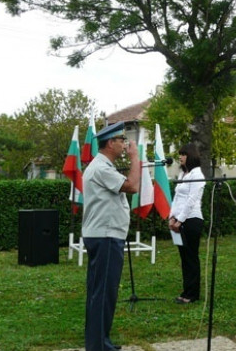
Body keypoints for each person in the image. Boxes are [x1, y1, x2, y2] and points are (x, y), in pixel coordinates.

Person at [82, 121, 140, 351]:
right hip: (105, 236)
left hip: (106, 234)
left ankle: (99, 341)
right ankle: (98, 346)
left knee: (102, 291)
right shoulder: (101, 168)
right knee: (103, 292)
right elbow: (133, 186)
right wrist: (136, 158)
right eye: (121, 140)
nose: (124, 144)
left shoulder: (103, 166)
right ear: (110, 143)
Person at [169, 143, 206, 304]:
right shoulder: (183, 174)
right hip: (178, 220)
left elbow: (191, 200)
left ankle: (192, 294)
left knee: (191, 257)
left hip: (192, 220)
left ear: (190, 156)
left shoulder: (198, 174)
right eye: (180, 154)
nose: (180, 157)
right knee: (184, 257)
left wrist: (180, 220)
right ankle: (186, 290)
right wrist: (172, 217)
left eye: (183, 154)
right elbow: (177, 197)